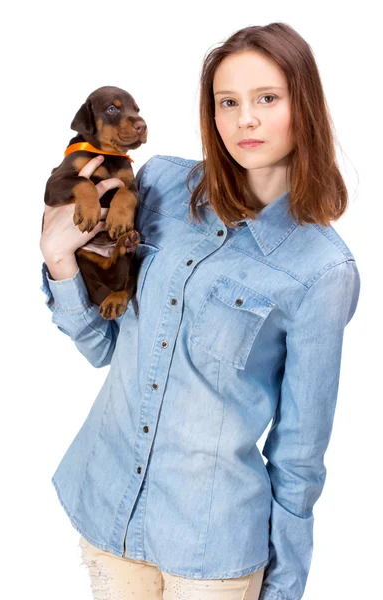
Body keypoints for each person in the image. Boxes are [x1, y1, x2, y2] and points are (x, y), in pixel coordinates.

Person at [39, 22, 361, 600]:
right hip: (108, 511)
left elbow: (301, 452)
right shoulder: (159, 185)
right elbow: (106, 347)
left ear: (303, 106)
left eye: (268, 98)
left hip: (212, 550)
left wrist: (283, 588)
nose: (246, 120)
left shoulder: (322, 270)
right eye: (227, 102)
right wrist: (60, 264)